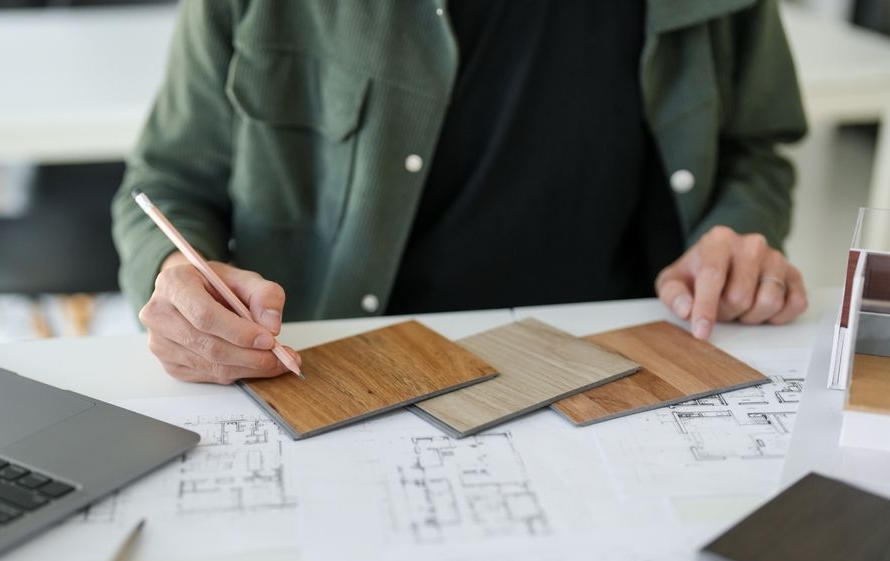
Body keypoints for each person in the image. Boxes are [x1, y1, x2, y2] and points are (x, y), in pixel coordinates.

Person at [112, 0, 809, 385]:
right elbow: (166, 185)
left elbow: (754, 148)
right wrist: (177, 279)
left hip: (629, 364)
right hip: (341, 373)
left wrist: (737, 232)